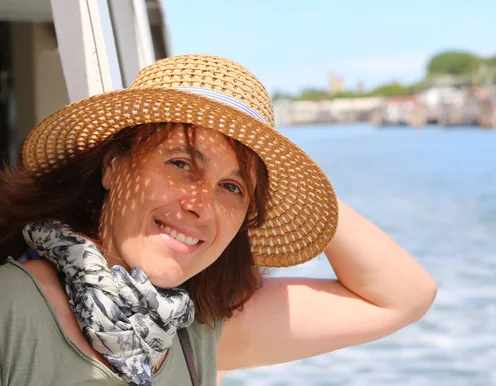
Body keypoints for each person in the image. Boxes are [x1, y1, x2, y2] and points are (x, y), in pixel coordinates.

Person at [0, 54, 437, 386]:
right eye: (181, 164)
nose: (200, 205)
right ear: (113, 165)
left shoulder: (192, 331)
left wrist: (299, 186)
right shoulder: (12, 308)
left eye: (232, 187)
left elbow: (402, 297)